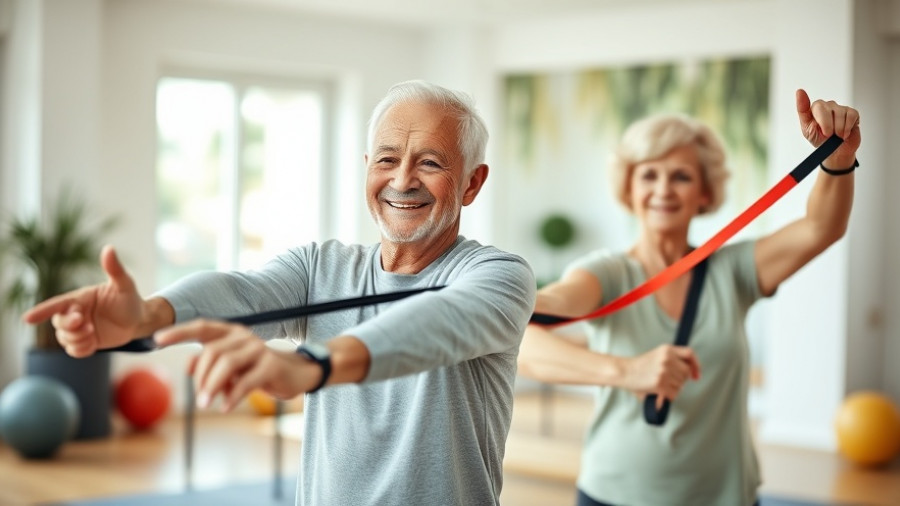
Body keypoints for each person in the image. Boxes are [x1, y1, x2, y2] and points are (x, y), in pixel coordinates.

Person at [24, 80, 536, 505]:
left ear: (471, 183)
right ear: (367, 167)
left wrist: (314, 364)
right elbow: (242, 294)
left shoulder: (498, 277)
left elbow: (436, 324)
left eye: (430, 163)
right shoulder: (321, 266)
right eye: (386, 159)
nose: (402, 180)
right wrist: (149, 315)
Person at [517, 89, 859, 506]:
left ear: (704, 193)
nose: (663, 189)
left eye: (680, 176)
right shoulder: (605, 273)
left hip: (723, 495)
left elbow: (820, 227)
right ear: (629, 187)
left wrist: (836, 161)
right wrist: (628, 371)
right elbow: (527, 335)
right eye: (649, 174)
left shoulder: (733, 270)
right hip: (612, 493)